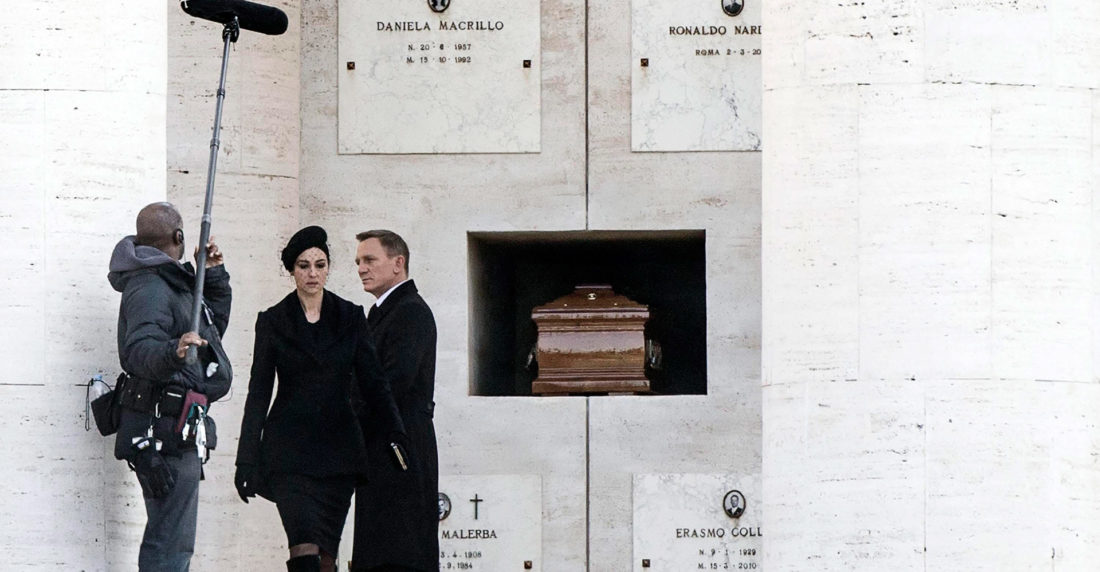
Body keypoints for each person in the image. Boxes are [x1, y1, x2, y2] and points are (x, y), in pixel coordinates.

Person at [234, 226, 409, 572]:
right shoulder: (272, 321)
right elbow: (258, 392)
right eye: (303, 266)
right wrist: (246, 459)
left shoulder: (350, 317)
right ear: (292, 270)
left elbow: (374, 383)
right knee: (303, 545)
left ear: (328, 268)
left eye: (319, 265)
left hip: (338, 453)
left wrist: (396, 433)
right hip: (289, 454)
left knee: (326, 553)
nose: (312, 273)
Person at [107, 202, 232, 571]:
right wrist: (172, 351)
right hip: (164, 433)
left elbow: (209, 333)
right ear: (179, 236)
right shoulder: (150, 285)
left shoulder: (169, 281)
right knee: (169, 547)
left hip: (176, 431)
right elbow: (138, 351)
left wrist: (212, 277)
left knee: (174, 544)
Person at [352, 230, 439, 572]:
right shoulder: (383, 313)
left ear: (397, 263)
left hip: (400, 449)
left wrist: (343, 421)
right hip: (381, 447)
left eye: (369, 260)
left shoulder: (410, 312)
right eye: (358, 262)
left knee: (400, 554)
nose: (361, 268)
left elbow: (390, 384)